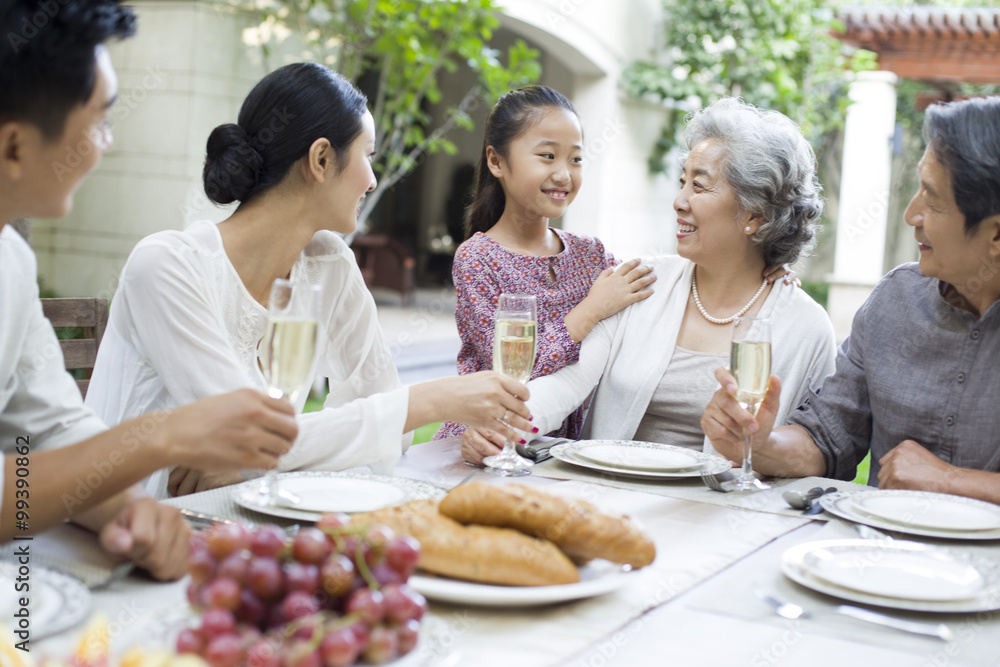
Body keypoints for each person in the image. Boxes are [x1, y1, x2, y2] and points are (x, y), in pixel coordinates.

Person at [85, 63, 534, 498]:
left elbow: (387, 436)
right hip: (124, 533)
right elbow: (248, 436)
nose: (374, 180)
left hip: (239, 518)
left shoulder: (328, 263)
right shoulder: (167, 267)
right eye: (368, 155)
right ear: (321, 158)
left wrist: (258, 460)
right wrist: (431, 400)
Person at [0, 0, 298, 579]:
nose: (105, 143)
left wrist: (128, 509)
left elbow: (55, 430)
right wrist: (159, 436)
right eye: (99, 121)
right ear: (15, 146)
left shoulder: (10, 258)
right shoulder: (168, 260)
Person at [463, 98, 837, 464]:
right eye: (682, 181)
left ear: (753, 214)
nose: (679, 200)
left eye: (699, 186)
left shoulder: (804, 326)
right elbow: (567, 385)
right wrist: (504, 428)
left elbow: (821, 448)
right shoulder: (642, 282)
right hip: (613, 499)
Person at [702, 96, 1000, 504]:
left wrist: (951, 481)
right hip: (876, 554)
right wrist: (756, 442)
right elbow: (828, 435)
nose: (911, 214)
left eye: (932, 199)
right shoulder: (895, 302)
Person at [433, 86, 657, 443]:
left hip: (561, 449)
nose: (564, 175)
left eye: (576, 159)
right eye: (548, 156)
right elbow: (511, 371)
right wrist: (592, 309)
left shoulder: (592, 255)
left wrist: (760, 266)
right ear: (496, 161)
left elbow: (656, 289)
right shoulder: (478, 259)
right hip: (485, 442)